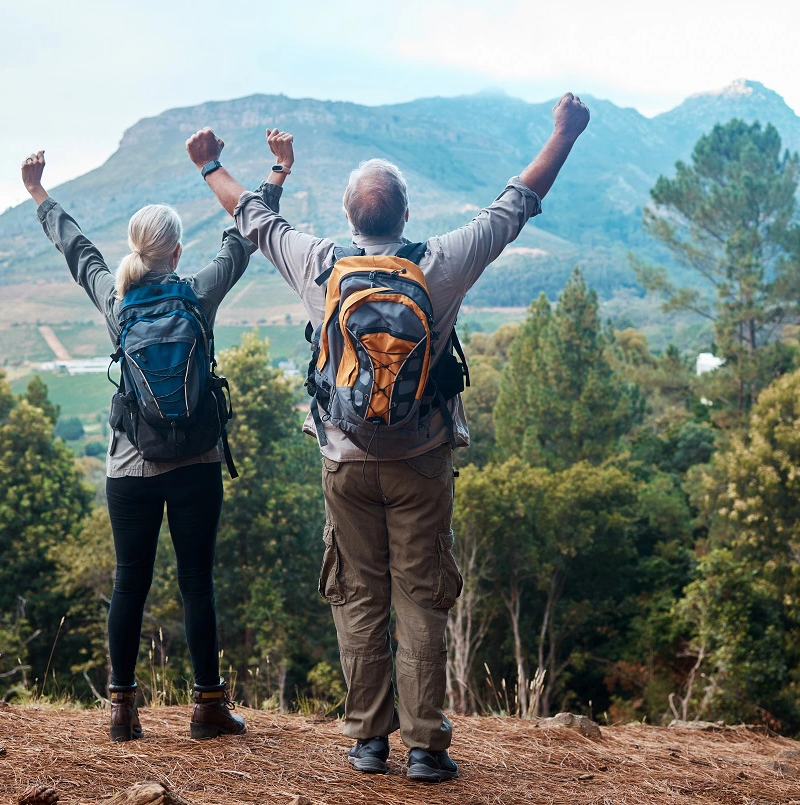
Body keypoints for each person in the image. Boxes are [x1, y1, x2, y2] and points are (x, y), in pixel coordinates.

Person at [184, 94, 590, 781]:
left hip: (343, 461)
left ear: (350, 216)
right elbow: (517, 202)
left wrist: (211, 165)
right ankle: (427, 746)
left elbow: (252, 218)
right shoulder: (442, 263)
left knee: (360, 596)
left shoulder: (318, 262)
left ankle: (369, 740)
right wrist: (564, 134)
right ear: (404, 214)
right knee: (421, 599)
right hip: (422, 461)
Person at [19, 129, 297, 742]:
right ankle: (207, 707)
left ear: (137, 250)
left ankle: (122, 709)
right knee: (197, 581)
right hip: (196, 459)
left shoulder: (116, 303)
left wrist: (39, 190)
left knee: (129, 581)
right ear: (175, 251)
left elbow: (78, 251)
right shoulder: (198, 294)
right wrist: (277, 172)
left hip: (130, 466)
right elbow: (246, 238)